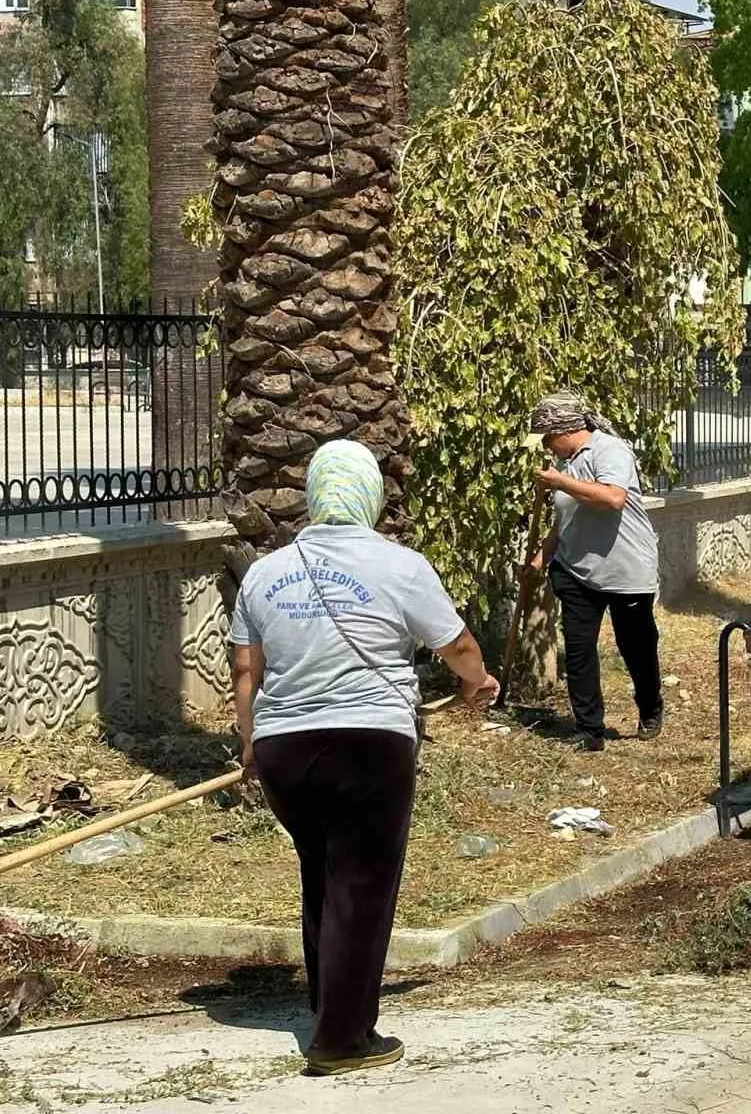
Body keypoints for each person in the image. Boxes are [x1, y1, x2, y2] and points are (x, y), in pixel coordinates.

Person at [229, 440, 499, 1077]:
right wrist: (477, 682)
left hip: (284, 750)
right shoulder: (400, 565)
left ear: (316, 495)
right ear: (369, 495)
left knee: (323, 872)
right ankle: (344, 1038)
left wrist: (249, 742)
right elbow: (456, 644)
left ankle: (330, 1003)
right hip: (368, 744)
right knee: (362, 882)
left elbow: (246, 667)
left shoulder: (265, 572)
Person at [527, 392, 663, 753]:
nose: (545, 445)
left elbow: (611, 499)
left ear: (564, 430)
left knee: (635, 645)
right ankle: (589, 729)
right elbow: (565, 520)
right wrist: (542, 557)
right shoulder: (564, 463)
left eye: (546, 437)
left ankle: (650, 706)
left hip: (625, 570)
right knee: (578, 647)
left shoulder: (610, 451)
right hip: (575, 570)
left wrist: (560, 482)